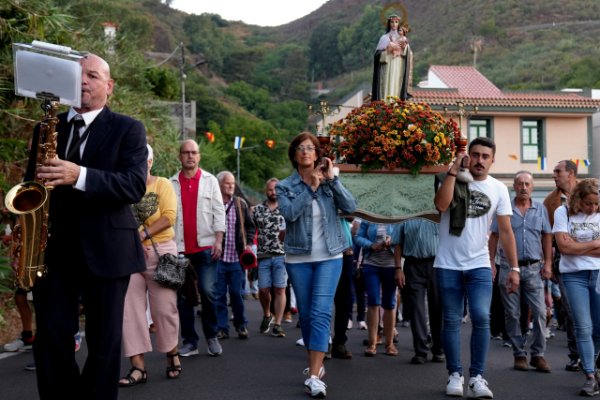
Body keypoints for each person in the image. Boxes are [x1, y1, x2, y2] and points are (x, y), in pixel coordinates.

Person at [31, 53, 148, 400]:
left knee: (104, 342)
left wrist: (78, 175)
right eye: (78, 75)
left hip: (108, 251)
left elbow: (133, 185)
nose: (83, 82)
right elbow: (31, 188)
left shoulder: (129, 129)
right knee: (51, 336)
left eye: (93, 76)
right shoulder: (45, 128)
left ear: (109, 87)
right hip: (53, 251)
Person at [433, 136, 520, 399]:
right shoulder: (447, 177)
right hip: (447, 263)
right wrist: (453, 171)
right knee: (451, 320)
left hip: (480, 263)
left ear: (493, 160)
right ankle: (455, 374)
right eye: (475, 155)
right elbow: (441, 205)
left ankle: (478, 377)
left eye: (485, 156)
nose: (479, 160)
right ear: (467, 156)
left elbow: (505, 231)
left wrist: (514, 268)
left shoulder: (499, 189)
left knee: (482, 317)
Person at [276, 132, 357, 398]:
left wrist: (331, 181)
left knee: (322, 312)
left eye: (311, 148)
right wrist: (310, 186)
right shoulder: (285, 186)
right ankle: (316, 365)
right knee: (308, 315)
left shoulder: (329, 181)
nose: (306, 152)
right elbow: (289, 214)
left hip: (330, 256)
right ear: (294, 155)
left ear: (317, 154)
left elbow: (350, 207)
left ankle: (314, 375)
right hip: (298, 257)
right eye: (301, 148)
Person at [118, 144, 181, 387]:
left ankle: (172, 353)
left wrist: (139, 236)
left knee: (164, 309)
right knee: (129, 310)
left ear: (150, 162)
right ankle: (138, 367)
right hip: (128, 254)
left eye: (143, 159)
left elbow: (168, 217)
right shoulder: (122, 188)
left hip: (160, 252)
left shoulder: (162, 184)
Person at [489, 171, 553, 373]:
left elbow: (547, 236)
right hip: (508, 267)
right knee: (512, 314)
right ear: (514, 187)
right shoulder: (505, 208)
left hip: (534, 268)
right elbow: (494, 237)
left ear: (532, 187)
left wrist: (548, 263)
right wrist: (491, 262)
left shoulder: (540, 209)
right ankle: (519, 354)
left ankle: (538, 354)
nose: (523, 187)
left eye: (527, 184)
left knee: (541, 312)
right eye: (520, 184)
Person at [171, 139, 225, 357]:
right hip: (180, 248)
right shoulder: (171, 182)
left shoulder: (211, 181)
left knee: (208, 291)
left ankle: (211, 335)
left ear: (199, 156)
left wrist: (219, 240)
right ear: (180, 156)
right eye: (186, 152)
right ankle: (190, 342)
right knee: (184, 297)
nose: (190, 156)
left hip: (206, 246)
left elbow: (218, 211)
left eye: (194, 152)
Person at [552, 178, 600, 396]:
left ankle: (595, 366)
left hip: (598, 273)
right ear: (578, 199)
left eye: (596, 204)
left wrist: (577, 246)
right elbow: (563, 247)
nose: (593, 208)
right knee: (583, 326)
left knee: (598, 327)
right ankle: (590, 375)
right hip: (574, 276)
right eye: (589, 203)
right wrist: (594, 244)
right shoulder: (563, 212)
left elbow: (571, 246)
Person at [543, 159, 581, 372]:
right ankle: (576, 355)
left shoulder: (590, 193)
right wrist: (548, 263)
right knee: (572, 310)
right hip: (564, 259)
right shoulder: (550, 201)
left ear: (571, 173)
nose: (554, 175)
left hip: (594, 259)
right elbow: (548, 236)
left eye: (558, 172)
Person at [392, 218, 444, 365]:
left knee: (438, 307)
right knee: (416, 309)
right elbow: (397, 243)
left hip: (438, 264)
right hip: (413, 265)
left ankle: (439, 349)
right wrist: (398, 269)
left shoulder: (439, 213)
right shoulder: (406, 215)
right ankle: (420, 351)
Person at [214, 171, 255, 340]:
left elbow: (250, 226)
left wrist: (248, 243)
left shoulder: (240, 204)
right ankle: (222, 328)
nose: (231, 186)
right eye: (227, 183)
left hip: (236, 259)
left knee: (237, 295)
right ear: (219, 185)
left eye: (232, 183)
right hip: (218, 259)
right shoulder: (213, 205)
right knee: (219, 296)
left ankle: (241, 324)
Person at [354, 222, 399, 357]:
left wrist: (393, 240)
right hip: (371, 264)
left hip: (391, 264)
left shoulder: (397, 216)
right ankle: (372, 344)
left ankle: (389, 344)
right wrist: (371, 245)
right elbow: (358, 237)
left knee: (389, 303)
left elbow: (403, 236)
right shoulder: (369, 217)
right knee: (373, 301)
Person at [252, 178, 288, 337]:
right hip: (263, 256)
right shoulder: (257, 210)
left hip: (282, 255)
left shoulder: (287, 209)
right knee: (263, 289)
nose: (273, 193)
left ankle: (278, 324)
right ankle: (267, 314)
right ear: (265, 191)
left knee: (280, 288)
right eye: (270, 190)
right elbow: (249, 231)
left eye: (276, 189)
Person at [371, 14, 413, 102]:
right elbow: (377, 55)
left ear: (399, 24)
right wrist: (387, 51)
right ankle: (385, 105)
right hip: (387, 64)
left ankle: (396, 104)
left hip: (398, 65)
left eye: (396, 22)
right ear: (389, 23)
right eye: (392, 22)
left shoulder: (403, 38)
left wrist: (405, 47)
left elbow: (409, 54)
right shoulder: (384, 38)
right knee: (387, 84)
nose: (394, 24)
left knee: (397, 84)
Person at [331, 217, 355, 359]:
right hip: (323, 250)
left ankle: (339, 341)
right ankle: (322, 341)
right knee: (322, 298)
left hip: (345, 251)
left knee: (344, 299)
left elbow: (351, 215)